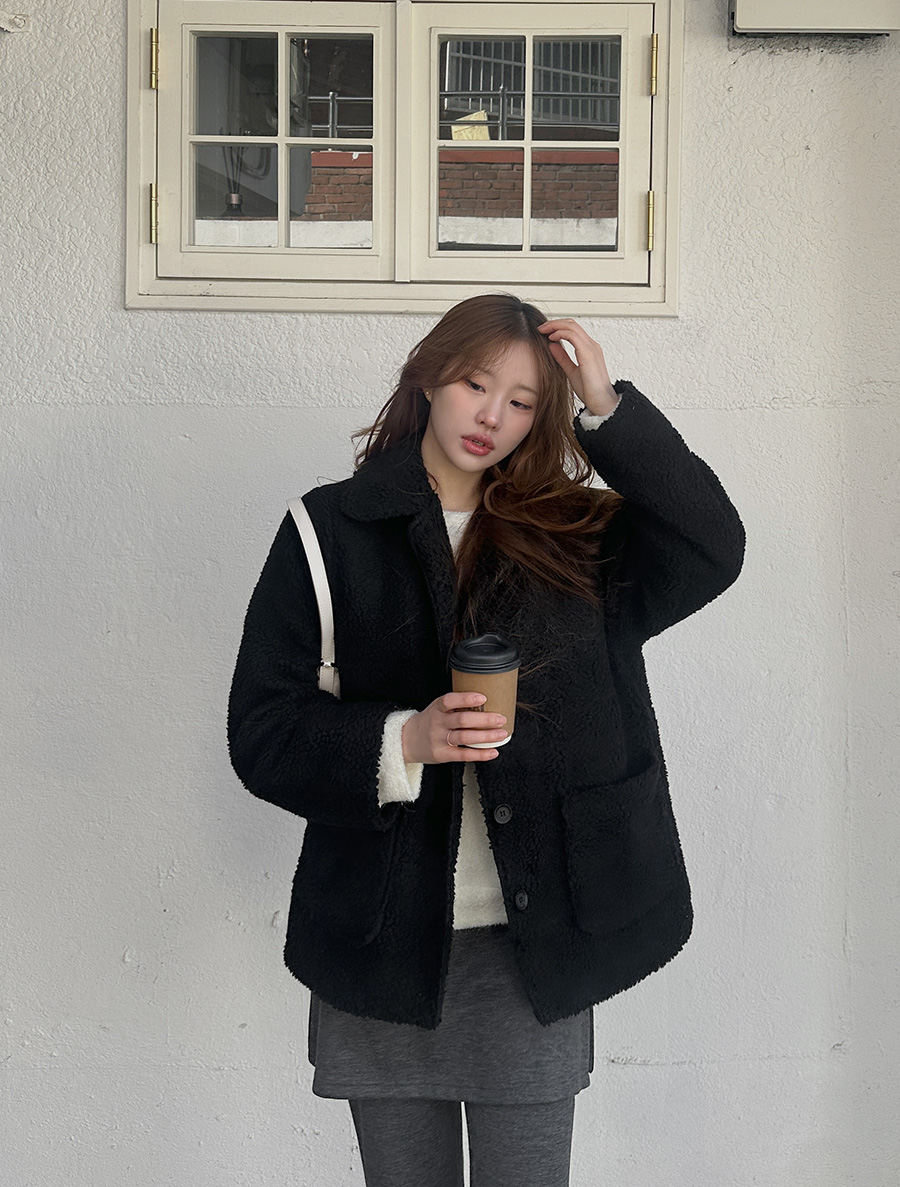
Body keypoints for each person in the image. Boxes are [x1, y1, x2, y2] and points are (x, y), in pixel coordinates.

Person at [227, 293, 745, 1187]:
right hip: (384, 945)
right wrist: (405, 739)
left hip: (536, 946)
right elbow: (262, 730)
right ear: (431, 375)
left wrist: (605, 408)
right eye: (476, 384)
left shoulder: (577, 535)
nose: (492, 416)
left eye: (522, 401)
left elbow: (712, 545)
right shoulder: (328, 530)